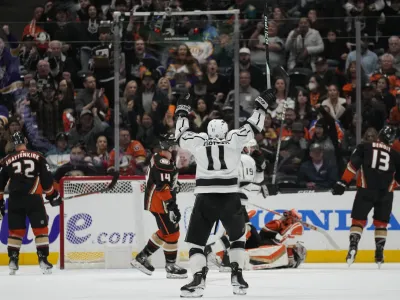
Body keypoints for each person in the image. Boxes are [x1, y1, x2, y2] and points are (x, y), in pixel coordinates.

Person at [175, 90, 276, 297]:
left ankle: (198, 280)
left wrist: (182, 112)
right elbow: (253, 126)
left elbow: (181, 136)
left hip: (205, 198)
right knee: (237, 238)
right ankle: (237, 276)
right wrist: (261, 105)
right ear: (226, 130)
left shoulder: (200, 140)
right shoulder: (234, 138)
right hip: (230, 197)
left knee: (196, 243)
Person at [332, 126, 400, 267]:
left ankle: (353, 246)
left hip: (365, 190)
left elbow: (353, 165)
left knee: (358, 221)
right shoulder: (395, 154)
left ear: (379, 135)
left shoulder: (365, 147)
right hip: (386, 193)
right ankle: (379, 252)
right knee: (381, 223)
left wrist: (343, 182)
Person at [0, 132, 61, 275]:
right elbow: (46, 179)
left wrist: (0, 202)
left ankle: (13, 261)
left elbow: (0, 184)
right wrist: (52, 196)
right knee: (40, 229)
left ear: (14, 144)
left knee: (15, 231)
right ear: (25, 141)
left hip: (14, 199)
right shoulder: (38, 156)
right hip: (33, 198)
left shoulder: (6, 159)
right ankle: (43, 260)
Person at [131, 133, 187, 279]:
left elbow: (164, 182)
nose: (175, 147)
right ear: (166, 146)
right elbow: (162, 187)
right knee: (173, 232)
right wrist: (172, 206)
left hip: (159, 201)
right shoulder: (163, 162)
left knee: (165, 232)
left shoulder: (161, 159)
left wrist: (175, 186)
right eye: (172, 144)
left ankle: (142, 258)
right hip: (160, 203)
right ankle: (170, 266)